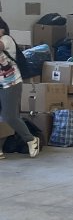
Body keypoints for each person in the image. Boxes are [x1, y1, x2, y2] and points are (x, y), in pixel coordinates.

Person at [0, 17, 40, 159]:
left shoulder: (6, 40)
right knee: (1, 116)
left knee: (9, 116)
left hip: (11, 83)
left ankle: (31, 139)